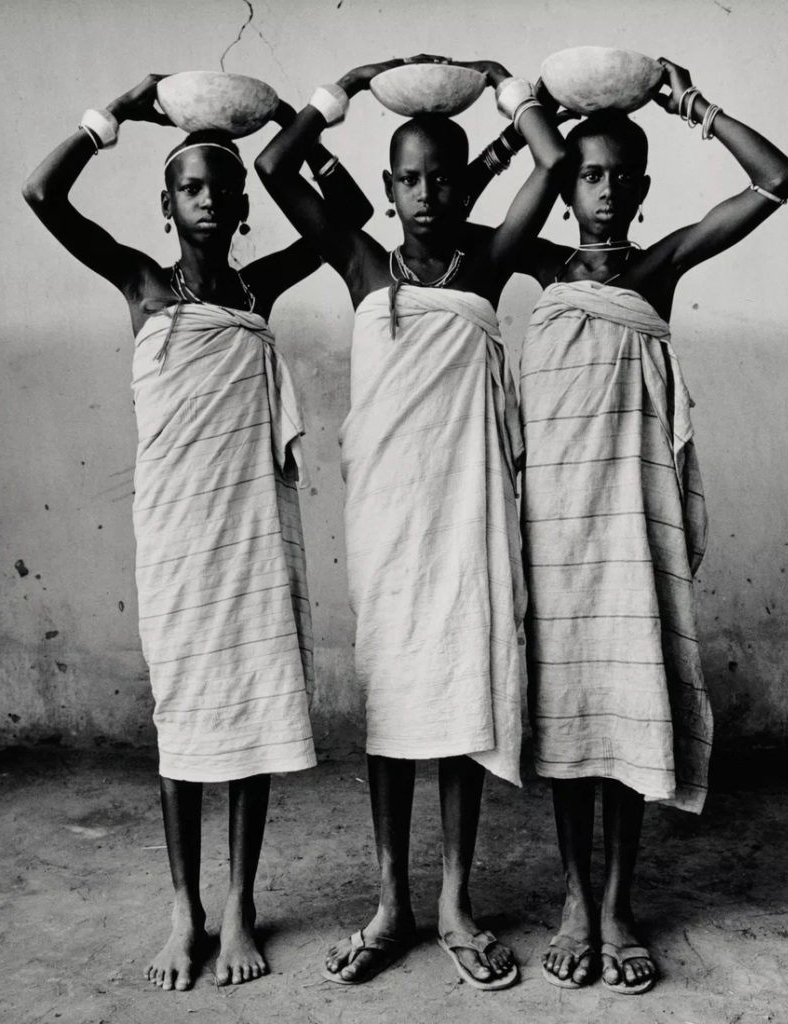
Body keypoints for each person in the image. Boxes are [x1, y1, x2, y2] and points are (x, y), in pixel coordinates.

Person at [22, 73, 371, 991]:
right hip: (177, 534)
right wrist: (119, 110)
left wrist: (322, 110)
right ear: (167, 203)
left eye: (224, 187)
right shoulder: (139, 282)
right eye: (191, 188)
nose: (209, 199)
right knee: (183, 720)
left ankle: (241, 902)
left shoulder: (260, 286)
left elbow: (354, 213)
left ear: (246, 203)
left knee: (250, 706)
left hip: (250, 527)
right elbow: (41, 195)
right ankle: (185, 909)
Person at [256, 56, 567, 990]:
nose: (428, 192)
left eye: (444, 176)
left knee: (463, 702)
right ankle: (392, 899)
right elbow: (276, 170)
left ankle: (455, 902)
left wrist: (510, 88)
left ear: (465, 179)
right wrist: (340, 89)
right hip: (391, 518)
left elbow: (549, 169)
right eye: (411, 178)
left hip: (467, 514)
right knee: (395, 709)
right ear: (387, 190)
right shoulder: (360, 261)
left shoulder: (489, 260)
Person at [502, 58, 788, 993]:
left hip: (630, 532)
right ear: (563, 187)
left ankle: (621, 901)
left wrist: (692, 105)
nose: (603, 192)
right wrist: (522, 119)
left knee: (629, 716)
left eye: (619, 177)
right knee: (568, 720)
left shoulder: (658, 266)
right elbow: (432, 232)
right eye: (585, 174)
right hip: (555, 534)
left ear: (640, 187)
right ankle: (572, 898)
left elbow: (776, 180)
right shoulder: (535, 262)